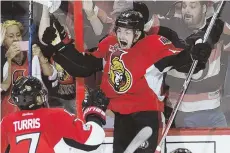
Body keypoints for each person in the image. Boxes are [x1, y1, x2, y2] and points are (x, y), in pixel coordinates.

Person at [42, 10, 212, 152]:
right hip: (121, 118)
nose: (121, 35)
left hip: (147, 117)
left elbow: (178, 60)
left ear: (137, 33)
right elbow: (84, 66)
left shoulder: (153, 45)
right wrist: (59, 45)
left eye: (127, 32)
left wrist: (194, 54)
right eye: (119, 30)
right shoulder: (111, 45)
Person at [1, 76, 109, 153]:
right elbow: (94, 138)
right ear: (38, 98)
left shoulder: (7, 122)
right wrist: (94, 113)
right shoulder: (56, 116)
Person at [0, 20, 57, 119]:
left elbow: (51, 74)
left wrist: (40, 56)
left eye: (18, 35)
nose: (15, 39)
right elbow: (5, 86)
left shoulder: (32, 53)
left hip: (36, 111)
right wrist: (8, 59)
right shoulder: (3, 61)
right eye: (10, 36)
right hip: (11, 113)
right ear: (4, 41)